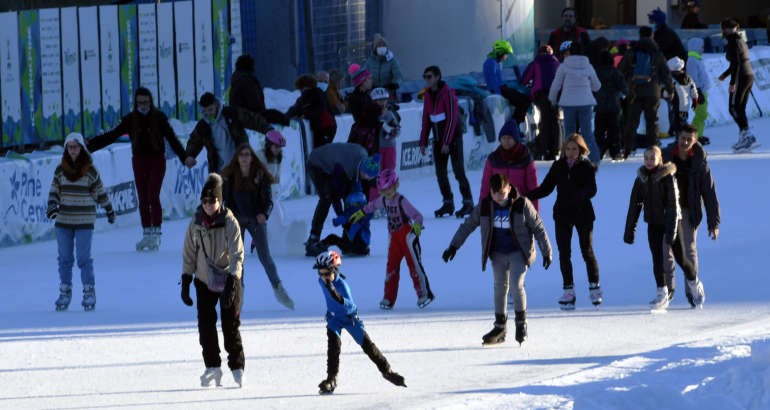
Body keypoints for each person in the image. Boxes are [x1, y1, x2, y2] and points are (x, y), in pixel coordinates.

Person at [442, 173, 552, 345]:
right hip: (497, 253)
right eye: (495, 193)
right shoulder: (485, 207)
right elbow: (468, 225)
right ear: (490, 192)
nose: (499, 196)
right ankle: (500, 327)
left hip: (519, 252)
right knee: (500, 287)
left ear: (509, 188)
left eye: (502, 192)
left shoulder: (522, 204)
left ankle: (521, 323)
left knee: (516, 285)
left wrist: (547, 251)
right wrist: (453, 246)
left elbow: (538, 227)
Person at [87, 87, 187, 252]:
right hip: (139, 160)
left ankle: (156, 233)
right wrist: (91, 144)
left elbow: (172, 138)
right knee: (142, 196)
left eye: (146, 102)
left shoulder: (159, 117)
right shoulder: (130, 119)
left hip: (157, 160)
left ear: (151, 102)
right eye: (140, 103)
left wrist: (185, 157)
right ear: (136, 103)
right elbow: (112, 135)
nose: (143, 106)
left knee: (152, 195)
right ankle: (147, 233)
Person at [180, 173, 246, 387]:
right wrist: (186, 279)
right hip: (204, 280)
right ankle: (212, 367)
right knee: (206, 326)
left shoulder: (230, 222)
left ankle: (237, 367)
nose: (208, 205)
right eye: (205, 201)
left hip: (228, 279)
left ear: (220, 201)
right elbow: (189, 252)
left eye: (212, 200)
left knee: (230, 325)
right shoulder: (196, 222)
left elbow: (238, 254)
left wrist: (234, 281)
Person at [624, 146, 705, 311]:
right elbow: (634, 205)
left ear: (660, 159)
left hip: (672, 223)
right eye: (646, 158)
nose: (648, 161)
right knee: (657, 259)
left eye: (652, 158)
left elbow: (674, 207)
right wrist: (629, 230)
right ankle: (662, 293)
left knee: (681, 258)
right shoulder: (641, 179)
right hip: (653, 224)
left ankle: (693, 282)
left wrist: (672, 232)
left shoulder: (668, 177)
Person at [313, 251, 407, 394]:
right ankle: (331, 379)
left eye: (326, 274)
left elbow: (351, 306)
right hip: (334, 318)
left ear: (334, 270)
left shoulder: (342, 286)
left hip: (350, 318)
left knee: (368, 346)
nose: (323, 277)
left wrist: (338, 297)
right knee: (333, 348)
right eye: (321, 273)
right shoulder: (322, 281)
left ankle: (387, 371)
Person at [526, 134, 600, 310]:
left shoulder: (586, 166)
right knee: (564, 253)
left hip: (583, 214)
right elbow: (546, 188)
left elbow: (592, 189)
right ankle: (569, 290)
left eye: (575, 149)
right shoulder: (558, 166)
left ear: (581, 150)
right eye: (568, 149)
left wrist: (578, 196)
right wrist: (526, 197)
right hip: (562, 214)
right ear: (564, 149)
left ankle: (594, 286)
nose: (571, 152)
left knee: (586, 250)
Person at [221, 143, 295, 310]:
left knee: (265, 257)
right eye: (242, 155)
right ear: (237, 158)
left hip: (256, 220)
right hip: (237, 219)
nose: (245, 158)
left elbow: (268, 200)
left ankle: (279, 290)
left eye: (248, 154)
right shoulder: (231, 176)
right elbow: (226, 199)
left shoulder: (260, 175)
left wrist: (264, 214)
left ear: (252, 157)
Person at [48, 132, 115, 311]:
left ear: (82, 148)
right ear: (65, 149)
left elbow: (100, 192)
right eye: (69, 147)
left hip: (84, 219)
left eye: (76, 147)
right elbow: (54, 191)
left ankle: (89, 291)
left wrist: (108, 208)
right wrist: (52, 206)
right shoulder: (60, 170)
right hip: (63, 220)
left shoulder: (90, 170)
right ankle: (65, 291)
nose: (73, 150)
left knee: (84, 258)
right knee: (64, 258)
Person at [349, 169, 434, 310]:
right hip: (394, 238)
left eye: (390, 188)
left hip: (407, 236)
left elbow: (418, 216)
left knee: (414, 265)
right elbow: (373, 205)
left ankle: (424, 294)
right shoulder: (383, 200)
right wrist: (361, 212)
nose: (388, 192)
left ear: (396, 186)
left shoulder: (401, 200)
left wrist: (417, 227)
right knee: (391, 268)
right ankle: (388, 298)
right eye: (385, 189)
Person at [661, 124, 720, 305]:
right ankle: (667, 290)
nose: (685, 142)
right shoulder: (666, 156)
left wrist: (714, 223)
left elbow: (709, 192)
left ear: (695, 141)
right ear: (678, 137)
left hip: (689, 211)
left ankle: (692, 290)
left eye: (689, 139)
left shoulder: (700, 161)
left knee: (688, 249)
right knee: (665, 249)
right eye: (683, 138)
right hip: (668, 210)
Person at [304, 143, 380, 256]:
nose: (367, 179)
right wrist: (342, 216)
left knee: (352, 196)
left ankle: (349, 238)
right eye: (367, 176)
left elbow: (355, 191)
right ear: (363, 169)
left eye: (371, 177)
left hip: (337, 163)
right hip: (316, 163)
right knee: (326, 197)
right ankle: (313, 238)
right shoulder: (346, 168)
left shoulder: (362, 162)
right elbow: (335, 196)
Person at [419, 65, 474, 218]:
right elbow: (426, 120)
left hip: (452, 138)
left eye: (429, 76)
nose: (427, 80)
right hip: (438, 139)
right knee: (440, 173)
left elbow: (452, 118)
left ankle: (468, 202)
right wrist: (422, 141)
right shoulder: (428, 95)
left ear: (437, 77)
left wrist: (446, 142)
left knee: (458, 171)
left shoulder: (448, 93)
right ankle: (448, 202)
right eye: (425, 77)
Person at [185, 92, 283, 173]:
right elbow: (194, 141)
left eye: (210, 109)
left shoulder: (232, 114)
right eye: (205, 111)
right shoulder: (203, 126)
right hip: (219, 171)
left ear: (216, 105)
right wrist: (190, 155)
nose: (209, 114)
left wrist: (269, 130)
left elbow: (252, 119)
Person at [618, 26, 674, 157]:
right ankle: (653, 149)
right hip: (653, 91)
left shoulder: (632, 52)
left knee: (632, 121)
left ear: (639, 35)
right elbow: (665, 73)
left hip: (634, 91)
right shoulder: (656, 52)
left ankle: (628, 149)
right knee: (652, 121)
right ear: (652, 36)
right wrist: (670, 89)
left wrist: (626, 85)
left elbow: (621, 70)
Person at [548, 41, 602, 165]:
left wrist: (553, 99)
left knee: (569, 133)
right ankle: (595, 159)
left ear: (570, 52)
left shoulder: (563, 66)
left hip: (569, 103)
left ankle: (567, 159)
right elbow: (597, 86)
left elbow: (556, 85)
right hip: (586, 103)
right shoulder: (588, 66)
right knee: (587, 132)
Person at [479, 120, 539, 212]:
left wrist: (535, 216)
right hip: (497, 209)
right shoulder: (493, 159)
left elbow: (533, 190)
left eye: (510, 138)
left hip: (520, 209)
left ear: (516, 139)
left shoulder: (525, 159)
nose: (506, 141)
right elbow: (485, 187)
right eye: (503, 138)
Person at [718, 19, 758, 152]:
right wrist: (725, 74)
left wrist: (732, 82)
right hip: (748, 75)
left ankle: (747, 136)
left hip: (741, 76)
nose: (723, 32)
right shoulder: (740, 40)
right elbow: (738, 62)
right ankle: (745, 137)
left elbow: (737, 64)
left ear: (726, 29)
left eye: (724, 29)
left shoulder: (732, 42)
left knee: (733, 107)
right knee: (740, 108)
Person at [521, 44, 561, 160]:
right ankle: (555, 149)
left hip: (541, 95)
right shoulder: (557, 63)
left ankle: (543, 148)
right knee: (555, 121)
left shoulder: (535, 63)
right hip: (556, 95)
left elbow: (524, 79)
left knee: (545, 120)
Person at [229, 54, 288, 126]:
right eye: (252, 64)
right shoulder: (246, 79)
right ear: (248, 65)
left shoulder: (237, 78)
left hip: (241, 116)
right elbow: (254, 102)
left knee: (274, 115)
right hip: (248, 116)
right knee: (279, 117)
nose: (254, 67)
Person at [483, 40, 531, 125]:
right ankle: (514, 126)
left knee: (525, 101)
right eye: (506, 54)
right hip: (501, 90)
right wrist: (498, 96)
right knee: (524, 102)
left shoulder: (494, 62)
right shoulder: (491, 63)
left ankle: (515, 125)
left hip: (503, 88)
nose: (506, 57)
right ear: (500, 53)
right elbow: (492, 81)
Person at [286, 74, 337, 149]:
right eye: (302, 88)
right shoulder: (304, 97)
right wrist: (285, 116)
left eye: (306, 87)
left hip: (326, 128)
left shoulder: (318, 94)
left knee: (321, 151)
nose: (304, 90)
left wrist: (306, 115)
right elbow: (296, 109)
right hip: (319, 129)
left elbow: (319, 109)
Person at [594, 50, 628, 160]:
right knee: (614, 131)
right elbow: (625, 88)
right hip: (614, 106)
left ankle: (599, 151)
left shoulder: (596, 72)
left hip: (600, 106)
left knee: (599, 131)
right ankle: (615, 152)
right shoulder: (616, 72)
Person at [321, 188, 372, 256]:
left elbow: (336, 222)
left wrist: (343, 219)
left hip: (354, 246)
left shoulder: (352, 215)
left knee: (332, 238)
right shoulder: (364, 214)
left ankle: (320, 246)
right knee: (338, 235)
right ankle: (322, 246)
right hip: (362, 247)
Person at [686, 37, 712, 145]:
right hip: (698, 92)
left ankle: (698, 135)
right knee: (700, 114)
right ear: (695, 48)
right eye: (701, 47)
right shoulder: (692, 61)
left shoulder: (697, 60)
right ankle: (693, 136)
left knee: (702, 114)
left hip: (702, 91)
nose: (703, 49)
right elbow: (693, 79)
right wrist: (698, 92)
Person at [666, 57, 699, 138]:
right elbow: (693, 89)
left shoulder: (671, 79)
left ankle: (679, 139)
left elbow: (666, 92)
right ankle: (681, 136)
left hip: (674, 106)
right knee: (682, 123)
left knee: (677, 124)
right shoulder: (688, 78)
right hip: (685, 106)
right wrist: (695, 100)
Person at [363, 33, 403, 99]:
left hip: (388, 91)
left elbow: (398, 75)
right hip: (373, 92)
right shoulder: (369, 61)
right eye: (379, 45)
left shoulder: (392, 60)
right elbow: (364, 75)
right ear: (375, 48)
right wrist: (366, 86)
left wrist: (395, 84)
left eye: (383, 45)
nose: (382, 47)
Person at [371, 87, 401, 171]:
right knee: (376, 172)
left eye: (384, 100)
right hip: (376, 148)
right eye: (379, 100)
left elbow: (398, 131)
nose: (382, 103)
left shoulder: (390, 114)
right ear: (374, 102)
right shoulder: (371, 114)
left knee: (389, 171)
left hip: (389, 147)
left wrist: (392, 131)